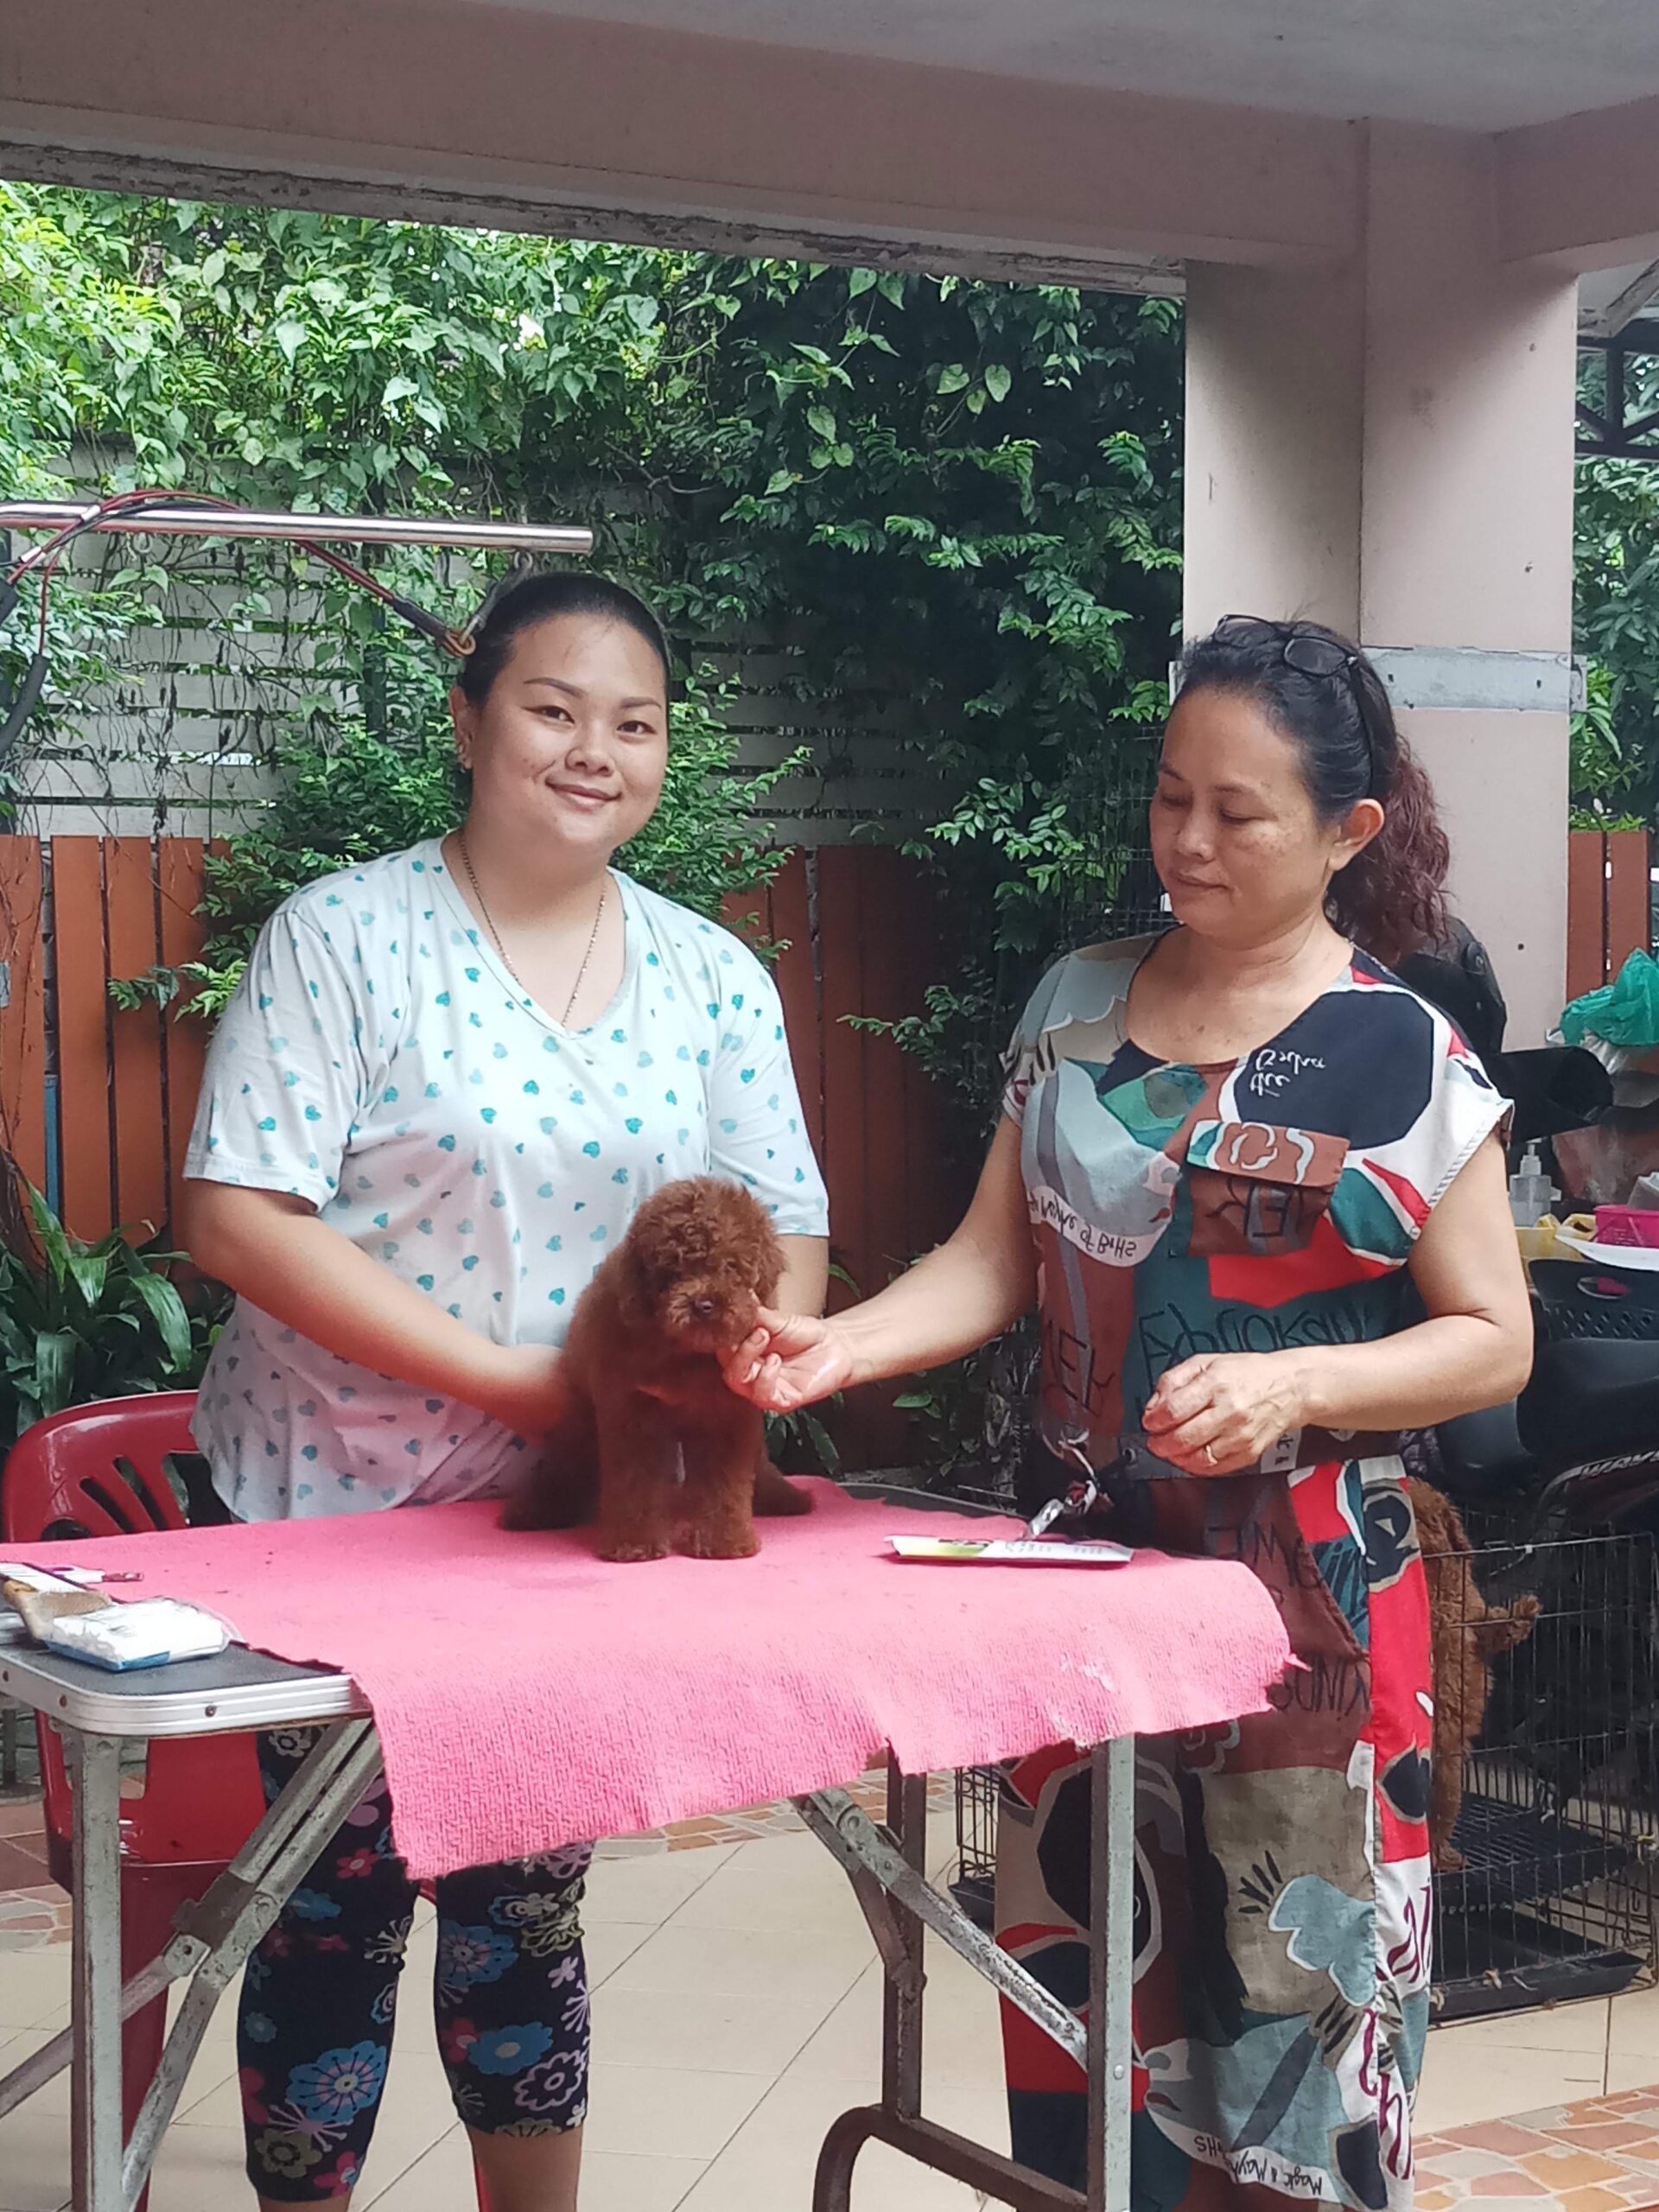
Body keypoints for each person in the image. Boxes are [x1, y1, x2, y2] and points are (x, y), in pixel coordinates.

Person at [725, 614, 1531, 2211]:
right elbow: (991, 1259)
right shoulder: (1076, 1002)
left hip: (1303, 1626)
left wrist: (1302, 1380)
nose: (1189, 841)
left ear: (1348, 831)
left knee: (1293, 2054)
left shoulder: (1406, 1053)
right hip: (1078, 1601)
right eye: (1171, 797)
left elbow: (1495, 1340)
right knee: (1086, 2029)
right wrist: (836, 1346)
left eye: (1239, 812)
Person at [181, 569, 830, 2211]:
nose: (595, 749)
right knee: (331, 1916)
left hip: (559, 1532)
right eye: (554, 709)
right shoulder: (343, 935)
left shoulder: (711, 975)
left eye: (637, 723)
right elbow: (237, 1215)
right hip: (334, 1513)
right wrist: (528, 1386)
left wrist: (750, 1359)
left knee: (524, 1911)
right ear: (469, 720)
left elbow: (789, 1222)